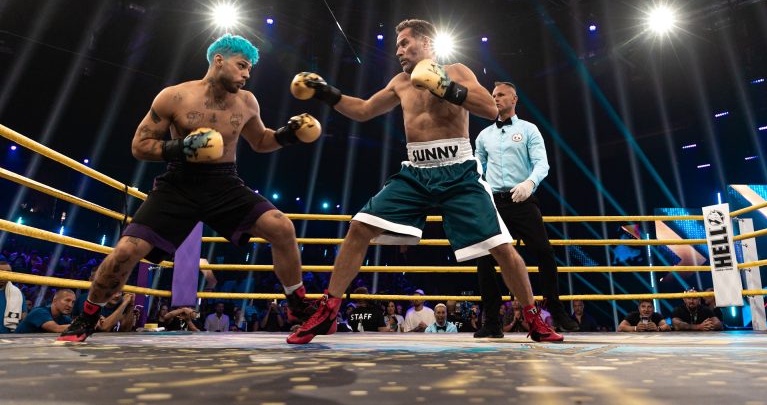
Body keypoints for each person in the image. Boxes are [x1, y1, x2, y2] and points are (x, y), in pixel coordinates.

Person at [287, 19, 562, 344]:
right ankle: (329, 310)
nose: (399, 51)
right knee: (359, 227)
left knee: (500, 246)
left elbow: (491, 109)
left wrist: (445, 87)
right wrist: (325, 92)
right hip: (416, 172)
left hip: (458, 171)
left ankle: (533, 318)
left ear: (427, 42)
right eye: (397, 46)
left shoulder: (456, 71)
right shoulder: (400, 82)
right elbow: (363, 110)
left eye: (405, 43)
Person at [58, 34, 321, 342]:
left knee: (282, 227)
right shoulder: (174, 96)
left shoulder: (247, 101)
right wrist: (183, 147)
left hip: (224, 183)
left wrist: (288, 134)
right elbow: (140, 145)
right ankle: (88, 316)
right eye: (242, 65)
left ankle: (297, 306)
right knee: (126, 251)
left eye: (249, 68)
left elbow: (261, 141)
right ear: (219, 60)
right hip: (179, 183)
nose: (247, 74)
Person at [473, 81, 578, 337]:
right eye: (493, 95)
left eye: (501, 95)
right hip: (494, 202)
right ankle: (492, 321)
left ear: (514, 99)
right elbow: (477, 166)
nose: (495, 98)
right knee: (484, 259)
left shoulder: (529, 129)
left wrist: (529, 183)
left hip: (522, 199)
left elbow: (542, 163)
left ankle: (555, 308)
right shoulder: (484, 135)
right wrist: (478, 186)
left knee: (544, 252)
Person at [0, 261, 27, 333]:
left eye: (8, 272)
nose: (4, 275)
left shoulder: (17, 293)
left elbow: (23, 316)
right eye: (1, 272)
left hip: (9, 335)